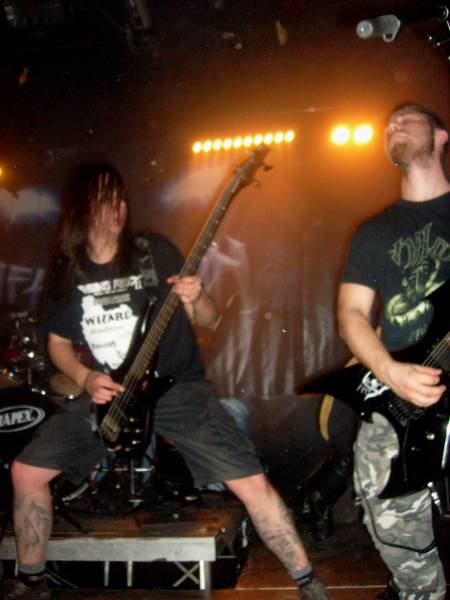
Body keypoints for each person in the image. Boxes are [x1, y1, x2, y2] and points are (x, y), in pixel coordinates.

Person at [0, 162, 332, 599]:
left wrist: (199, 297)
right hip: (110, 396)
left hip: (177, 390)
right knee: (26, 472)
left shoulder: (152, 252)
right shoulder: (68, 273)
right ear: (81, 208)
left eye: (120, 198)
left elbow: (210, 318)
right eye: (105, 199)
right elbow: (57, 344)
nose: (118, 208)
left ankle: (308, 580)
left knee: (251, 482)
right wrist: (86, 376)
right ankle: (32, 579)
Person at [337, 102, 449, 599]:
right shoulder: (374, 230)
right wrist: (390, 372)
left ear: (441, 136)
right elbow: (351, 314)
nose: (392, 126)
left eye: (406, 118)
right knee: (383, 502)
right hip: (398, 385)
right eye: (387, 125)